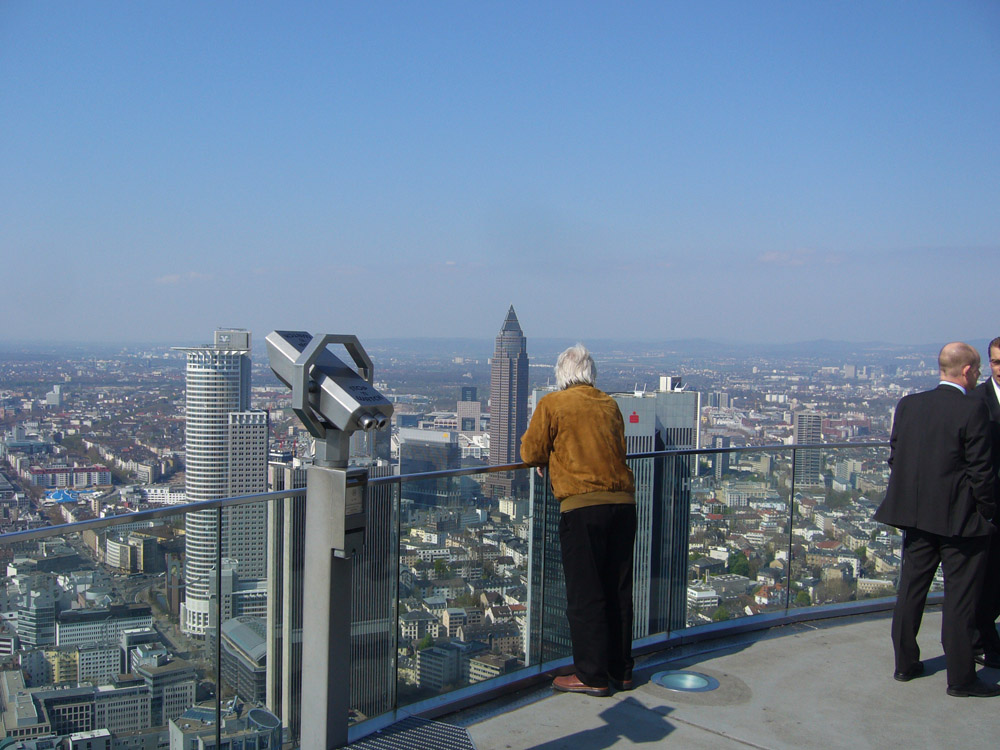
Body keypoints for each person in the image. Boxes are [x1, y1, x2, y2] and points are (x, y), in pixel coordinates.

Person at [873, 342, 998, 697]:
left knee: (911, 591)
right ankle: (961, 678)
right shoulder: (973, 408)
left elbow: (897, 457)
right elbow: (981, 472)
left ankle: (905, 664)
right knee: (959, 600)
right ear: (968, 371)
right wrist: (987, 512)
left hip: (915, 518)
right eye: (977, 371)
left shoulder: (909, 404)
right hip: (960, 522)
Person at [521, 344, 636, 696]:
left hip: (583, 506)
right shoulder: (609, 404)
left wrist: (550, 458)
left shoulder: (553, 405)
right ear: (591, 373)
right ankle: (622, 671)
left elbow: (530, 452)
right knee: (618, 590)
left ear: (561, 375)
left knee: (585, 594)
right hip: (623, 503)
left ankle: (592, 675)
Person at [972, 336, 1000, 667]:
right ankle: (983, 640)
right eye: (995, 361)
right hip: (991, 503)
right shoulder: (976, 401)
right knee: (989, 578)